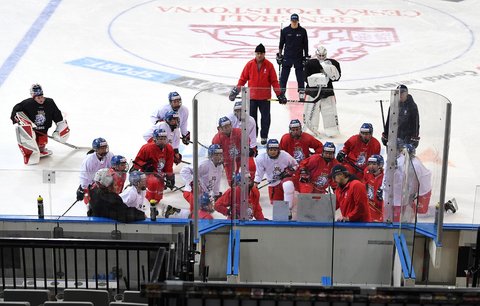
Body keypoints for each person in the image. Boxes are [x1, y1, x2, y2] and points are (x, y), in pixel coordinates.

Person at [229, 43, 287, 145]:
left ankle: (264, 136)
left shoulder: (269, 65)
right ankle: (253, 136)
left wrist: (279, 94)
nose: (259, 55)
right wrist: (236, 91)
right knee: (252, 119)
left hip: (265, 98)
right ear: (255, 54)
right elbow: (242, 79)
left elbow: (274, 81)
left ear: (264, 54)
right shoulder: (250, 64)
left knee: (265, 118)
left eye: (261, 53)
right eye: (257, 53)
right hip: (252, 98)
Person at [10, 84, 70, 164]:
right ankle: (29, 153)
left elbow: (58, 117)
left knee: (42, 144)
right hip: (32, 131)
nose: (41, 99)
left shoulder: (50, 102)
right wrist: (18, 119)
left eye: (41, 96)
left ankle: (39, 147)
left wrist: (59, 131)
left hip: (43, 131)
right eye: (38, 98)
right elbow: (16, 110)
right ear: (33, 96)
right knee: (30, 139)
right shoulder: (27, 103)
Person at [383, 144, 432, 222]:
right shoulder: (402, 161)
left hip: (422, 190)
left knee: (421, 214)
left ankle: (441, 208)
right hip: (409, 193)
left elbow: (417, 181)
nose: (402, 154)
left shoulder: (415, 164)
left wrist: (418, 194)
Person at [303, 45, 341, 137]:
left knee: (329, 113)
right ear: (316, 54)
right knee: (311, 113)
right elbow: (305, 78)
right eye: (319, 55)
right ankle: (311, 130)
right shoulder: (309, 63)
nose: (321, 57)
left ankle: (332, 130)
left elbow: (337, 77)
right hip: (312, 93)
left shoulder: (333, 63)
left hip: (327, 93)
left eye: (323, 55)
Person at [132, 128, 175, 204]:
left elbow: (169, 165)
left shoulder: (169, 148)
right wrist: (145, 166)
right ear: (154, 139)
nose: (163, 141)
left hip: (160, 175)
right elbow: (137, 162)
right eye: (160, 139)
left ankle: (154, 204)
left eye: (164, 139)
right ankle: (148, 202)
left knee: (158, 196)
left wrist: (170, 177)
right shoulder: (146, 148)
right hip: (148, 174)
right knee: (153, 183)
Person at [254, 139, 298, 212]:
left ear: (279, 150)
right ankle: (280, 219)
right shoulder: (261, 158)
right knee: (278, 206)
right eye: (271, 150)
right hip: (273, 183)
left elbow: (296, 165)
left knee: (288, 185)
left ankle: (289, 210)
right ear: (267, 150)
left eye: (275, 149)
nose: (273, 152)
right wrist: (256, 183)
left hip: (285, 179)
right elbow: (259, 173)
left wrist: (290, 171)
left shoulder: (285, 155)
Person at [180, 144, 224, 214]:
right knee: (197, 211)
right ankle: (182, 215)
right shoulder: (204, 164)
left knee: (207, 211)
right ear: (211, 156)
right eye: (216, 155)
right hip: (191, 192)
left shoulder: (220, 167)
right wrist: (192, 183)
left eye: (220, 154)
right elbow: (184, 170)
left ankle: (177, 211)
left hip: (203, 195)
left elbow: (216, 182)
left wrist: (216, 194)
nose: (219, 157)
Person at [277, 13, 309, 100]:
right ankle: (282, 92)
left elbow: (305, 45)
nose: (294, 22)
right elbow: (281, 44)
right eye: (293, 21)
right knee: (284, 76)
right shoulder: (285, 30)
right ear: (291, 21)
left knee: (300, 76)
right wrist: (279, 56)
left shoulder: (302, 31)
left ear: (298, 21)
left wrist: (306, 56)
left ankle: (301, 91)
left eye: (295, 21)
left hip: (298, 57)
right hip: (287, 56)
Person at [77, 137, 114, 204]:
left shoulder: (110, 155)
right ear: (96, 149)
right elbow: (84, 176)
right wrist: (83, 188)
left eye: (105, 147)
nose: (104, 150)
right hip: (93, 186)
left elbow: (113, 169)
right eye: (102, 148)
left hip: (106, 184)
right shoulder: (89, 160)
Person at [227, 100, 258, 177]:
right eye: (236, 110)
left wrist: (252, 149)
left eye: (240, 110)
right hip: (231, 146)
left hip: (245, 146)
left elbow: (252, 137)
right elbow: (224, 135)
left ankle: (251, 183)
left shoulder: (251, 121)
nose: (238, 113)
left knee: (251, 167)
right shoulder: (229, 119)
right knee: (233, 171)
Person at [212, 116, 245, 183]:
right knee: (231, 180)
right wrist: (219, 159)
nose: (228, 128)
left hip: (241, 157)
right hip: (228, 161)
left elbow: (247, 142)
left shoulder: (239, 132)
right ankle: (234, 191)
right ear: (220, 128)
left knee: (248, 171)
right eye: (225, 127)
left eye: (229, 125)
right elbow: (215, 153)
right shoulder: (217, 139)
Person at [363, 155, 385, 222]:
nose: (371, 166)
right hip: (369, 208)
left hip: (379, 211)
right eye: (370, 163)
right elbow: (364, 185)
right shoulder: (367, 172)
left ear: (380, 165)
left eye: (374, 164)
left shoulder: (384, 178)